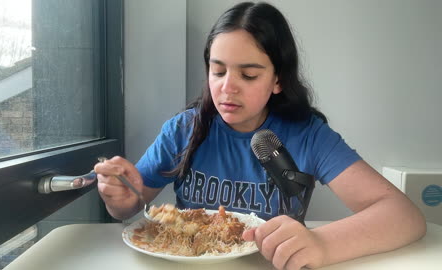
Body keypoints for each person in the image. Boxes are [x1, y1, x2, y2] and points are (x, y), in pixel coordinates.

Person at [94, 2, 426, 269]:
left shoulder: (308, 135)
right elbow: (132, 206)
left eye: (248, 75)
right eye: (218, 70)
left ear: (277, 80)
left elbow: (404, 216)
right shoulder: (183, 130)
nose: (227, 87)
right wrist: (122, 199)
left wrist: (323, 244)